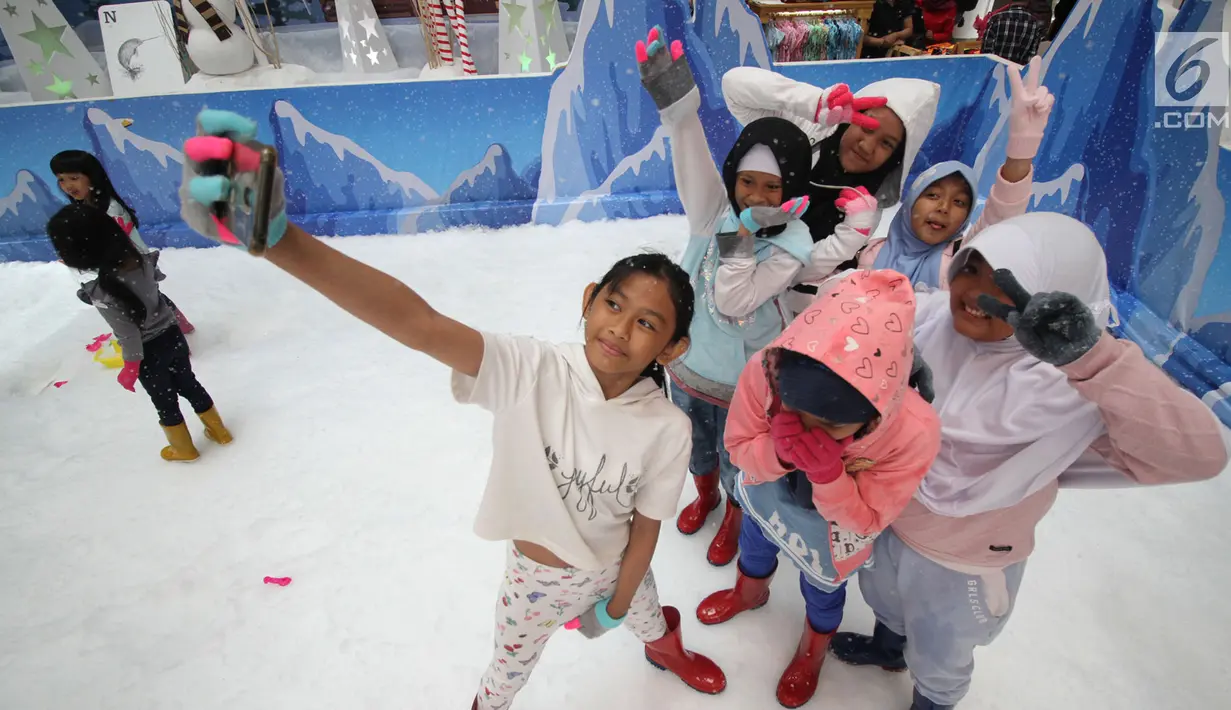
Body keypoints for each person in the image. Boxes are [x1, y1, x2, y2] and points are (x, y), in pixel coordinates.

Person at [177, 108, 727, 710]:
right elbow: (420, 324)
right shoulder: (531, 370)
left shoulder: (667, 427)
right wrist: (284, 242)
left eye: (647, 323)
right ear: (590, 298)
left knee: (648, 618)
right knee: (503, 678)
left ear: (673, 348)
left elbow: (646, 528)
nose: (620, 328)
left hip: (616, 569)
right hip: (534, 584)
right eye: (614, 304)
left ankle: (666, 650)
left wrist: (618, 605)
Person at [828, 213, 1228, 710]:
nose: (978, 293)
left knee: (942, 646)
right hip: (890, 524)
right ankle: (888, 648)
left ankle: (932, 701)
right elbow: (846, 305)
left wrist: (1092, 359)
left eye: (1009, 287)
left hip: (964, 562)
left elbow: (1199, 455)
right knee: (885, 596)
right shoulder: (928, 322)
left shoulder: (1072, 393)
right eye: (972, 269)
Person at [697, 269, 941, 708]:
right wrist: (781, 452)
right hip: (767, 496)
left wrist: (830, 476)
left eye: (830, 424)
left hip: (831, 531)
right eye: (797, 410)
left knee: (823, 587)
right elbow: (737, 447)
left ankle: (814, 647)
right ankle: (748, 592)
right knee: (754, 544)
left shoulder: (913, 432)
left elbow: (867, 521)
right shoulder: (768, 370)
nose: (810, 429)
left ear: (874, 412)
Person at [635, 28, 824, 567]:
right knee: (696, 449)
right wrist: (680, 110)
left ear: (791, 190)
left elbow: (738, 300)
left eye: (772, 186)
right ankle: (705, 496)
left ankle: (737, 514)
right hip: (691, 366)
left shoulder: (792, 242)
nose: (757, 196)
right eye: (748, 183)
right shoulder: (712, 216)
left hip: (745, 383)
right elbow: (690, 161)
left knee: (737, 456)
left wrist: (741, 234)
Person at [721, 66, 941, 313]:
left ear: (895, 158)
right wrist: (810, 103)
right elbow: (734, 86)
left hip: (762, 289)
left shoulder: (865, 207)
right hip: (720, 249)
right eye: (867, 126)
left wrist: (851, 236)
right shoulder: (805, 130)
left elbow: (798, 270)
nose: (867, 147)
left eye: (886, 144)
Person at [45, 203, 229, 462]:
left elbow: (127, 332)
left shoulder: (100, 290)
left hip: (147, 353)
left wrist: (130, 367)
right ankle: (219, 430)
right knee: (189, 384)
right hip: (173, 337)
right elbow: (156, 281)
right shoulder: (141, 261)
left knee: (165, 402)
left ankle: (184, 448)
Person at [859, 57, 1054, 291]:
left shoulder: (961, 262)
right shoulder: (870, 254)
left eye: (959, 202)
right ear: (910, 203)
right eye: (932, 195)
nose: (943, 207)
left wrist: (1022, 150)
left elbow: (1000, 218)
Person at [51, 149, 195, 335]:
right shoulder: (86, 207)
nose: (67, 185)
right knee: (151, 299)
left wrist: (82, 259)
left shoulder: (109, 209)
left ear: (92, 176)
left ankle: (168, 339)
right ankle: (180, 329)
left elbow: (114, 245)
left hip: (131, 265)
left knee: (147, 304)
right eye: (61, 179)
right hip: (124, 265)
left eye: (74, 178)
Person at [977, 1, 1046, 65]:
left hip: (994, 72)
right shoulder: (1035, 24)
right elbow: (1031, 56)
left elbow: (986, 54)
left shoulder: (996, 19)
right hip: (1017, 75)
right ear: (1028, 1)